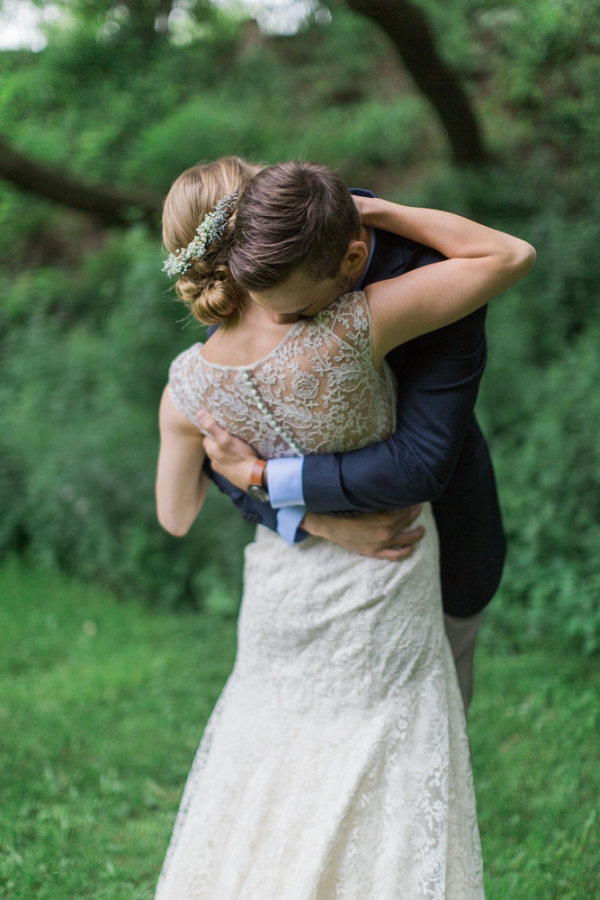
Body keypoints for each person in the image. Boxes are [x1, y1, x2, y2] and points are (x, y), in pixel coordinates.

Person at [155, 159, 535, 899]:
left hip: (288, 593)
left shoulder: (185, 387)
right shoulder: (355, 324)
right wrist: (319, 515)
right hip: (391, 570)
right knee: (397, 761)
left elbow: (174, 516)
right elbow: (509, 254)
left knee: (271, 759)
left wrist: (260, 479)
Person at [178, 159, 505, 714]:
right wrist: (308, 519)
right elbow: (221, 434)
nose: (273, 329)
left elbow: (420, 464)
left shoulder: (432, 276)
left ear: (350, 260)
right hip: (306, 567)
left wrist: (264, 475)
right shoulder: (258, 275)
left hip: (430, 534)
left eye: (298, 311)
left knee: (431, 720)